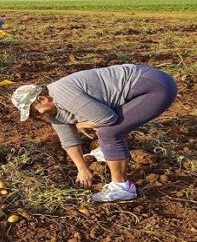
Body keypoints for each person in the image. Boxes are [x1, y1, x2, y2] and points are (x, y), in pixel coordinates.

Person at [11, 64, 177, 202]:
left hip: (154, 86)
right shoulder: (53, 111)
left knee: (108, 132)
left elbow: (108, 118)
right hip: (144, 86)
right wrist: (82, 168)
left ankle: (121, 187)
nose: (37, 115)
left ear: (42, 99)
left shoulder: (62, 94)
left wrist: (80, 124)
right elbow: (69, 141)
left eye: (35, 111)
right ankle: (109, 152)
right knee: (104, 127)